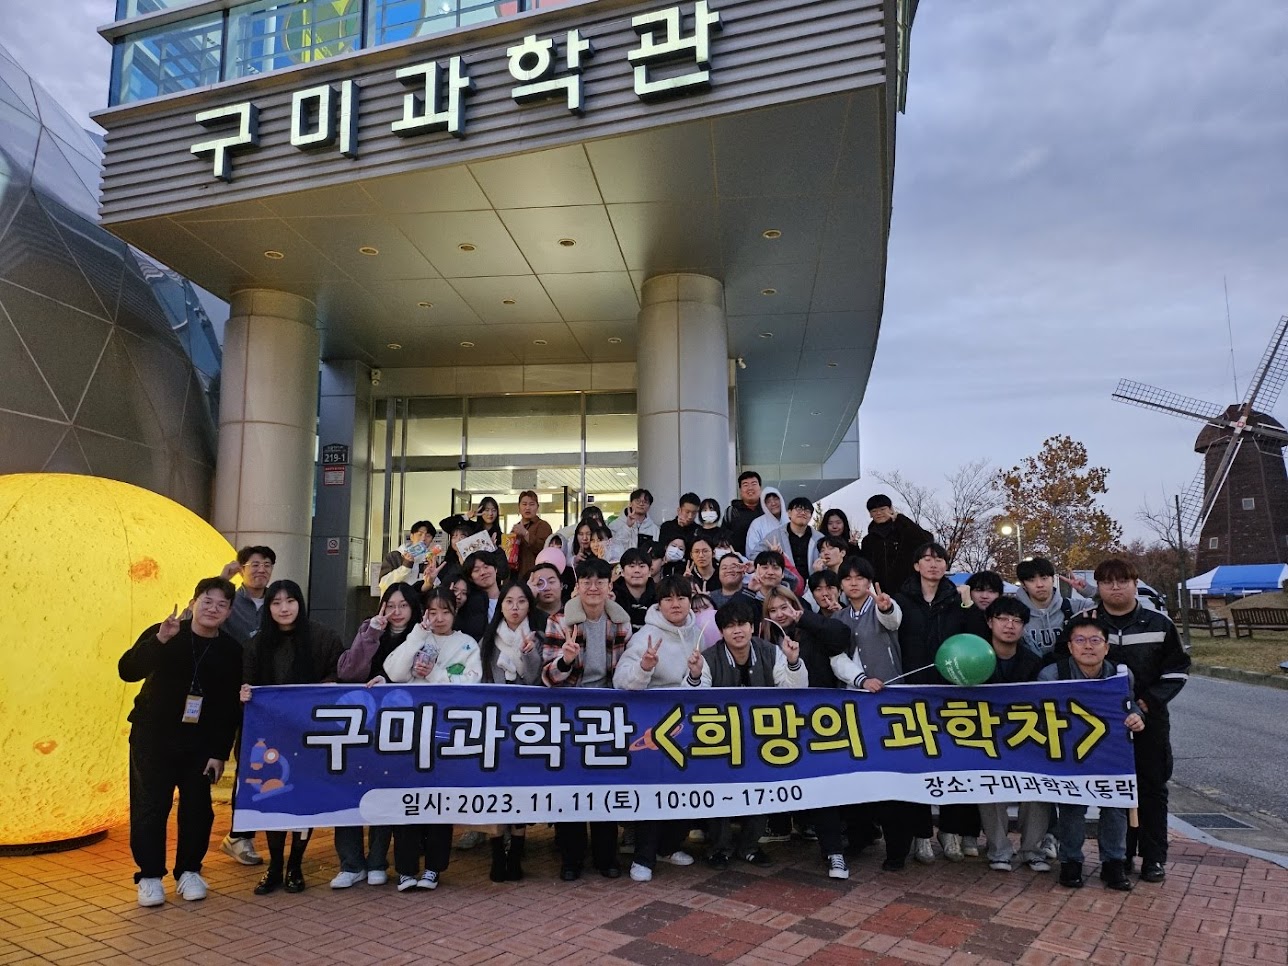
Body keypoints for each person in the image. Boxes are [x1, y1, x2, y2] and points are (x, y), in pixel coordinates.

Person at [1054, 557, 1190, 884]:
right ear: (1098, 587)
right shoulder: (1083, 623)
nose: (1115, 588)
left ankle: (1153, 858)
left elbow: (1177, 670)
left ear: (1135, 584)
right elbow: (1060, 664)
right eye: (1107, 582)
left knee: (1151, 788)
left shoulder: (1158, 623)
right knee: (1110, 793)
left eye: (1122, 581)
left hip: (1148, 720)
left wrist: (1145, 704)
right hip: (1091, 726)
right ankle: (1120, 856)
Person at [118, 577, 241, 907]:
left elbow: (229, 706)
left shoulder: (231, 650)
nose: (213, 609)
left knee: (198, 808)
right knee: (150, 806)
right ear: (194, 602)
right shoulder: (166, 632)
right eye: (207, 601)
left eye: (221, 604)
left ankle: (189, 871)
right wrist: (159, 640)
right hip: (153, 736)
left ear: (229, 612)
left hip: (200, 743)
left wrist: (219, 752)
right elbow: (127, 670)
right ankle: (149, 876)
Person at [239, 580, 345, 895]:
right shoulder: (256, 644)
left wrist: (329, 685)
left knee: (304, 800)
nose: (284, 608)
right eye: (276, 603)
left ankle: (295, 865)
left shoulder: (323, 637)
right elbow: (246, 683)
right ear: (268, 608)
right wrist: (244, 693)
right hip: (270, 737)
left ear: (300, 603)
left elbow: (339, 672)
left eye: (290, 601)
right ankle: (274, 866)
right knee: (273, 797)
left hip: (309, 735)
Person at [688, 598, 807, 870]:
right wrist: (694, 676)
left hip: (762, 738)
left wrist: (793, 662)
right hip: (720, 739)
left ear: (752, 627)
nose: (737, 630)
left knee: (760, 790)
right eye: (730, 626)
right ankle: (719, 848)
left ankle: (750, 847)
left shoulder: (772, 651)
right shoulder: (708, 658)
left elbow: (795, 689)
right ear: (721, 631)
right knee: (719, 792)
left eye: (742, 624)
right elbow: (693, 699)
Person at [383, 589, 483, 891]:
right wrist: (416, 635)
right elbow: (394, 672)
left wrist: (434, 673)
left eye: (445, 611)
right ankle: (405, 868)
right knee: (408, 800)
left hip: (445, 731)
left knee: (441, 801)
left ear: (455, 612)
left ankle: (434, 868)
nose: (439, 618)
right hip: (412, 730)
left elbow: (470, 682)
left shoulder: (467, 644)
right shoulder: (417, 636)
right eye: (433, 611)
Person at [542, 557, 634, 879]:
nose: (593, 588)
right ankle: (571, 859)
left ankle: (606, 857)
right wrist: (565, 661)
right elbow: (548, 678)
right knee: (570, 787)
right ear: (577, 586)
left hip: (608, 711)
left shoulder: (621, 622)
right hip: (570, 710)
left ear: (610, 586)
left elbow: (624, 673)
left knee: (605, 784)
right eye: (586, 582)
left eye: (600, 582)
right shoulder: (559, 621)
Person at [1040, 613, 1145, 891]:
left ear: (1106, 647)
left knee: (1115, 806)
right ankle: (1070, 861)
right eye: (1080, 640)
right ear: (1070, 646)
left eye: (1095, 640)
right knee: (1071, 806)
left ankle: (1113, 863)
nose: (1088, 646)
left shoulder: (1120, 675)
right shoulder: (1052, 675)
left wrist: (1137, 717)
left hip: (1110, 752)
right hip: (1069, 753)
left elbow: (1129, 705)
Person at [331, 583, 423, 888]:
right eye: (391, 605)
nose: (396, 612)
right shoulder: (369, 629)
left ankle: (377, 861)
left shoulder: (422, 635)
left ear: (413, 607)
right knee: (349, 790)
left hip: (398, 728)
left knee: (384, 792)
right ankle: (350, 863)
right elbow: (348, 672)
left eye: (403, 605)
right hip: (362, 725)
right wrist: (372, 633)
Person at [614, 575, 704, 881]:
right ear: (659, 604)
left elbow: (705, 680)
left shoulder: (698, 633)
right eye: (668, 599)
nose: (675, 604)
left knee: (687, 793)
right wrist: (645, 668)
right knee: (653, 794)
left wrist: (694, 677)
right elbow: (622, 680)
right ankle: (644, 858)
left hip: (688, 728)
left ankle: (669, 846)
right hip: (652, 730)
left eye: (681, 598)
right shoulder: (645, 636)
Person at [760, 588, 852, 880]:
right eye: (773, 610)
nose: (780, 615)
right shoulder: (765, 641)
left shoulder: (814, 630)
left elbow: (841, 637)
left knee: (824, 786)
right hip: (778, 725)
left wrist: (806, 619)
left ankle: (834, 852)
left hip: (819, 720)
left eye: (785, 607)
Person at [830, 556, 911, 870]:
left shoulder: (881, 606)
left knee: (891, 775)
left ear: (869, 581)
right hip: (853, 703)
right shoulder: (838, 617)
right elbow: (836, 658)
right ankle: (860, 835)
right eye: (847, 578)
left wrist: (887, 607)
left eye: (860, 577)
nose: (854, 583)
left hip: (889, 703)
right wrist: (861, 680)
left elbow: (893, 621)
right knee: (856, 773)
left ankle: (897, 850)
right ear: (841, 584)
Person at [894, 542, 969, 864]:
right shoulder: (900, 600)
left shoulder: (957, 599)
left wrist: (969, 606)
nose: (933, 564)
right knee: (918, 765)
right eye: (927, 558)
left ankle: (950, 831)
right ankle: (921, 834)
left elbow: (972, 636)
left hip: (952, 692)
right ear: (916, 565)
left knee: (953, 762)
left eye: (939, 559)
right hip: (912, 692)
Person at [974, 597, 1048, 873]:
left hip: (1026, 736)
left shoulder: (1034, 662)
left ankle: (1033, 850)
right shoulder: (973, 657)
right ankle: (998, 850)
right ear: (989, 622)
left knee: (1037, 788)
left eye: (1017, 621)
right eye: (1003, 619)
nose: (1010, 625)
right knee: (990, 789)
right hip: (985, 736)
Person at [478, 582, 544, 881]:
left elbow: (536, 680)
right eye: (509, 602)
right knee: (495, 790)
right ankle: (496, 855)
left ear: (530, 605)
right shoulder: (488, 640)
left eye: (521, 601)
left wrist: (529, 654)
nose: (515, 607)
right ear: (501, 606)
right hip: (495, 724)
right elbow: (481, 681)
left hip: (528, 724)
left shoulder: (538, 637)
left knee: (521, 790)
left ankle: (516, 854)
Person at [218, 544, 274, 866]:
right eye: (254, 564)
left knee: (252, 764)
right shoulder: (228, 600)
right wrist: (222, 580)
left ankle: (240, 835)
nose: (261, 569)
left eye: (267, 564)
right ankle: (233, 834)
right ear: (241, 569)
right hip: (227, 692)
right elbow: (196, 615)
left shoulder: (276, 601)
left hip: (262, 698)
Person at [1015, 557, 1095, 661]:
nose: (1039, 585)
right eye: (1031, 580)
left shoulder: (1074, 607)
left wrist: (1089, 591)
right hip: (1030, 670)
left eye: (1044, 578)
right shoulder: (1014, 614)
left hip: (1069, 670)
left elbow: (1111, 606)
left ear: (1053, 579)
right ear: (1023, 585)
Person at [859, 494, 933, 592]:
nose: (879, 513)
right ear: (870, 514)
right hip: (882, 592)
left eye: (882, 509)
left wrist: (901, 519)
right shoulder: (868, 541)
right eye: (874, 511)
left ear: (891, 509)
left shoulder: (905, 531)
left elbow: (927, 541)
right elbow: (865, 565)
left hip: (910, 590)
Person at [763, 496, 821, 581]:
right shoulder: (775, 536)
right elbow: (755, 556)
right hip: (783, 584)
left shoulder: (819, 538)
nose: (803, 513)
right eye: (799, 509)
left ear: (811, 516)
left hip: (813, 584)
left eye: (807, 511)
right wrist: (772, 557)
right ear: (789, 513)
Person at [455, 550, 504, 642]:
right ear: (470, 578)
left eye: (486, 567)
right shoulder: (468, 603)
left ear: (495, 569)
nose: (483, 572)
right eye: (476, 570)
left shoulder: (510, 596)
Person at [379, 520, 437, 591]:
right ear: (411, 536)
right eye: (420, 534)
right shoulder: (394, 556)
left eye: (428, 536)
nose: (423, 539)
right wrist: (406, 566)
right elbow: (383, 584)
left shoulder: (431, 560)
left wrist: (431, 577)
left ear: (431, 540)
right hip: (397, 597)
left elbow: (437, 587)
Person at [510, 490, 553, 578]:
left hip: (535, 575)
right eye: (524, 504)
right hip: (515, 576)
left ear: (537, 507)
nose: (527, 507)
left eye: (531, 504)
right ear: (519, 507)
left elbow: (543, 548)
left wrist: (526, 534)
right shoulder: (516, 528)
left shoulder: (542, 525)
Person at [613, 547, 657, 631]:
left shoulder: (660, 595)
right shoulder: (612, 595)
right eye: (632, 566)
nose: (637, 570)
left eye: (642, 566)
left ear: (650, 571)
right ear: (622, 571)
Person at [722, 471, 765, 555]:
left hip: (765, 559)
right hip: (738, 560)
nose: (750, 488)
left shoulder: (768, 510)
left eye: (754, 484)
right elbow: (724, 539)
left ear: (760, 488)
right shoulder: (732, 512)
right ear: (740, 490)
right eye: (745, 485)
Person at [610, 487, 660, 554]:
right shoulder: (615, 525)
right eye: (637, 501)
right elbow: (613, 547)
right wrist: (627, 527)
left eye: (645, 502)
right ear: (630, 503)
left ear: (649, 506)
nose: (641, 504)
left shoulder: (654, 529)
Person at [745, 486, 789, 559]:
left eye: (776, 499)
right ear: (764, 505)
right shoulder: (757, 524)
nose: (773, 503)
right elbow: (752, 552)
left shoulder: (791, 519)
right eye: (768, 501)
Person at [962, 570, 1005, 640]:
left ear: (999, 594)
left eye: (991, 591)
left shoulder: (1006, 617)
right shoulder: (956, 615)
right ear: (969, 592)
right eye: (979, 590)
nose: (984, 596)